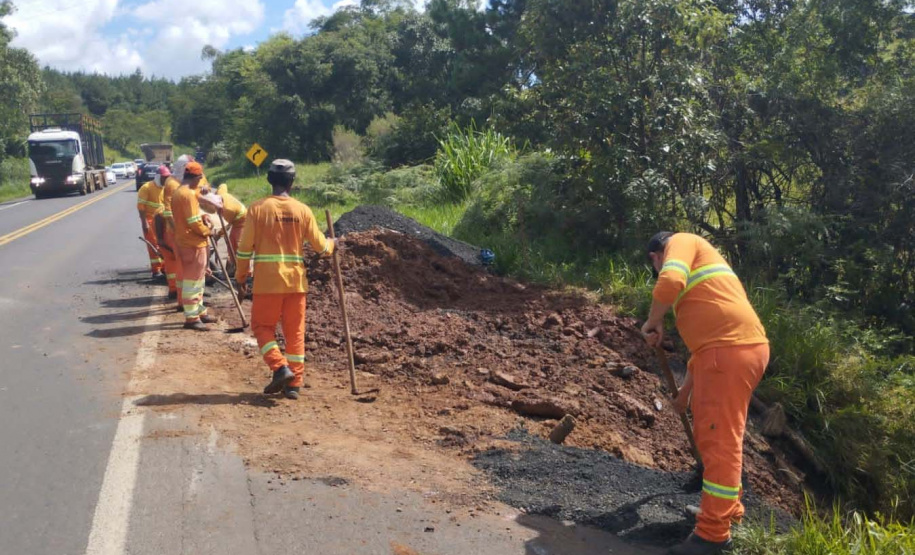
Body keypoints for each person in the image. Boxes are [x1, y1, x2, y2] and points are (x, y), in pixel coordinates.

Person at [641, 232, 769, 555]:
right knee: (718, 434)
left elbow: (669, 281)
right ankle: (729, 512)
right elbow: (701, 352)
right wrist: (685, 393)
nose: (658, 268)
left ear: (656, 255)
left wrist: (653, 320)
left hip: (729, 352)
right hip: (729, 351)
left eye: (654, 264)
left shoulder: (680, 243)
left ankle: (713, 535)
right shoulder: (705, 285)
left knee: (720, 441)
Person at [234, 159, 335, 400]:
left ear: (269, 180)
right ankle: (294, 384)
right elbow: (321, 247)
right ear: (292, 181)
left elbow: (244, 248)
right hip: (295, 283)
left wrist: (241, 276)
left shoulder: (257, 209)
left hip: (267, 283)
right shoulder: (303, 210)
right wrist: (333, 244)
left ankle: (280, 367)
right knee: (295, 333)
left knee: (261, 327)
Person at [171, 161, 217, 331]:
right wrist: (207, 231)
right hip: (192, 243)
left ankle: (200, 311)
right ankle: (191, 318)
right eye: (200, 179)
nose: (200, 182)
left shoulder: (180, 192)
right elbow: (192, 222)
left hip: (186, 241)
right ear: (196, 177)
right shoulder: (188, 195)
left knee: (199, 279)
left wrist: (203, 217)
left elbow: (191, 216)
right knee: (193, 281)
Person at [162, 156, 191, 306]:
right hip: (176, 233)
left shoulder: (175, 182)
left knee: (185, 265)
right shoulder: (173, 185)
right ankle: (182, 299)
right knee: (182, 265)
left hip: (180, 231)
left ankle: (184, 298)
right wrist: (177, 232)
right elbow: (168, 212)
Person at [198, 183, 246, 269]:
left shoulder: (227, 210)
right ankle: (233, 266)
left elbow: (225, 227)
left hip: (243, 221)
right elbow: (223, 185)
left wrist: (217, 236)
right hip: (235, 220)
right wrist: (207, 188)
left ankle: (244, 272)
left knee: (238, 246)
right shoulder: (220, 194)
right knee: (231, 244)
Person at [136, 169, 166, 279]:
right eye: (164, 177)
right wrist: (144, 223)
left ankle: (164, 267)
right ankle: (156, 270)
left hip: (163, 220)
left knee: (164, 245)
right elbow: (141, 206)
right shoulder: (146, 188)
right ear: (158, 177)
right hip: (150, 220)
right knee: (154, 245)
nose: (166, 179)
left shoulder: (165, 188)